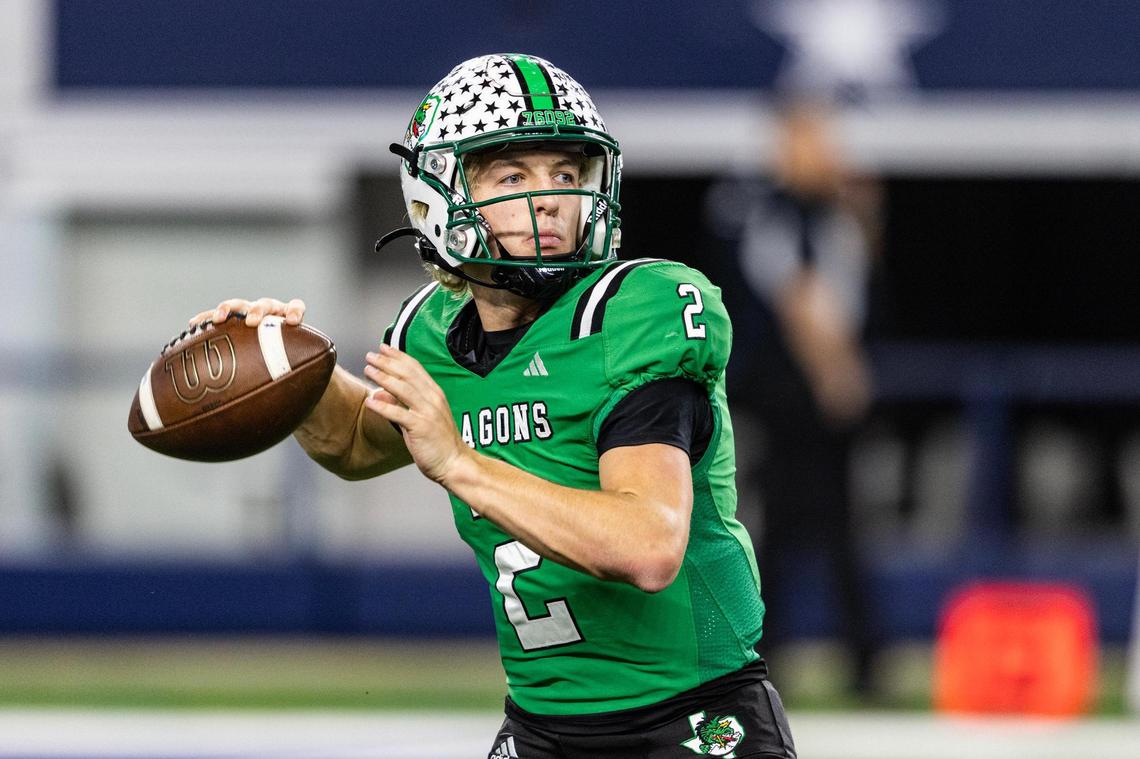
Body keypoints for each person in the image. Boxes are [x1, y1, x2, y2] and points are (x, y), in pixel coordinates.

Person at [192, 55, 795, 758]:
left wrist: (461, 463)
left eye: (566, 175)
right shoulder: (431, 331)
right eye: (513, 177)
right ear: (437, 197)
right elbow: (355, 441)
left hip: (691, 721)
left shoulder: (631, 313)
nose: (551, 199)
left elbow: (648, 544)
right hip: (541, 728)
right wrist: (285, 371)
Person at [713, 101, 880, 697]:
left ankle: (860, 661)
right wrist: (838, 373)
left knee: (836, 530)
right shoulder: (776, 212)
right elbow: (802, 299)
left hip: (810, 396)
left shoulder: (831, 213)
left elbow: (846, 285)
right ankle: (771, 656)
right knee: (781, 531)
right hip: (788, 395)